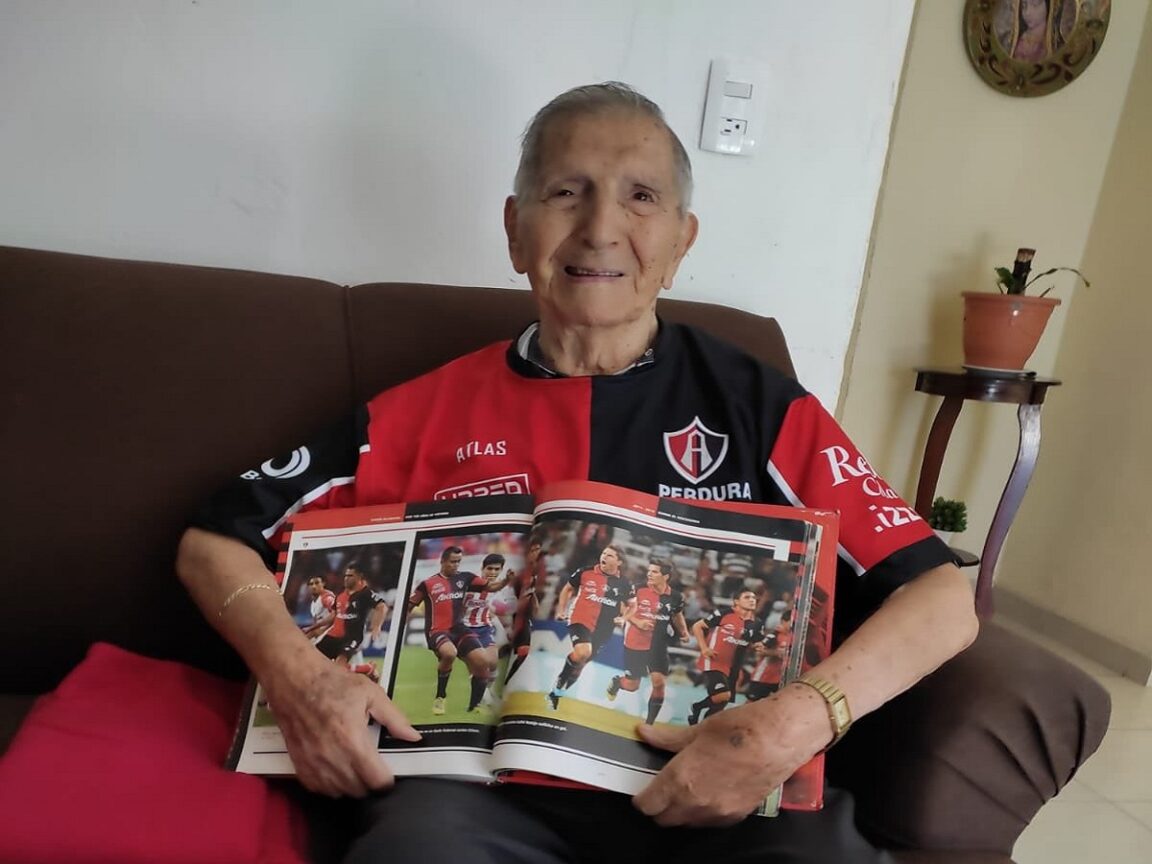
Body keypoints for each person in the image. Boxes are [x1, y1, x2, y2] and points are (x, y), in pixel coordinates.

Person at [176, 81, 977, 862]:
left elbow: (942, 599)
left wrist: (796, 721)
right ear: (515, 230)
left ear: (681, 240)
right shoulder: (414, 413)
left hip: (714, 791)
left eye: (639, 197)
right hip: (470, 798)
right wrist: (297, 679)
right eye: (566, 192)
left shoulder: (758, 406)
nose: (600, 228)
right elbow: (212, 543)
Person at [406, 546, 505, 715]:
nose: (456, 565)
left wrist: (507, 581)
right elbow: (409, 605)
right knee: (450, 654)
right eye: (453, 561)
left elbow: (493, 591)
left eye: (459, 561)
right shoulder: (429, 584)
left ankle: (475, 706)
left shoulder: (466, 579)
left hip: (464, 629)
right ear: (442, 561)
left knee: (484, 662)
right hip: (440, 630)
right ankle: (440, 697)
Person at [607, 560, 690, 724]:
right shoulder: (638, 589)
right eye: (649, 571)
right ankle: (618, 682)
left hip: (657, 645)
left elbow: (677, 615)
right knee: (632, 686)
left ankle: (649, 724)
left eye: (654, 572)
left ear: (665, 576)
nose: (649, 574)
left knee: (659, 683)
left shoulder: (676, 597)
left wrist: (684, 632)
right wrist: (638, 623)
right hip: (635, 642)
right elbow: (623, 607)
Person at [547, 544, 628, 709]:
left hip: (604, 628)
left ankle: (556, 693)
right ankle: (557, 687)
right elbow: (568, 589)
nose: (604, 556)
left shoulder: (624, 584)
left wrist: (624, 618)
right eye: (604, 553)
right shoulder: (585, 571)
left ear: (619, 562)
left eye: (610, 555)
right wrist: (560, 610)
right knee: (584, 651)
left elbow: (628, 606)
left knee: (580, 665)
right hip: (580, 619)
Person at [687, 589, 765, 725]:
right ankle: (697, 706)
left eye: (754, 598)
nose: (752, 600)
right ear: (736, 601)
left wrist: (758, 646)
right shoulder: (724, 614)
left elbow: (757, 642)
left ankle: (702, 730)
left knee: (720, 705)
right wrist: (704, 648)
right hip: (714, 661)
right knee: (723, 695)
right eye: (747, 597)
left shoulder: (758, 623)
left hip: (734, 667)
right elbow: (697, 626)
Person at [302, 574, 336, 642]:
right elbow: (316, 621)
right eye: (311, 584)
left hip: (329, 633)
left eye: (317, 583)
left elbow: (336, 615)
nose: (314, 586)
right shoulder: (313, 603)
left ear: (323, 584)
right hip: (319, 633)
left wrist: (322, 630)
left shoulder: (327, 598)